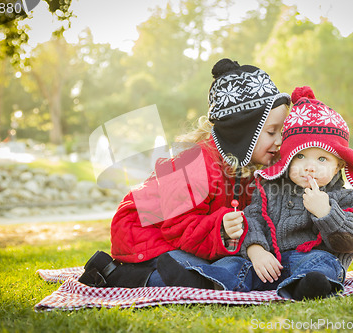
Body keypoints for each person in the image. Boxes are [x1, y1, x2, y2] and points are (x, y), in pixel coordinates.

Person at [78, 58, 291, 288]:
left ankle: (164, 273)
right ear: (243, 132)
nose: (279, 141)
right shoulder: (194, 164)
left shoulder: (243, 168)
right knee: (195, 273)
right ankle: (119, 275)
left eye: (281, 131)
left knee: (225, 265)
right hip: (146, 234)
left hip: (182, 238)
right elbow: (176, 226)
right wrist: (221, 227)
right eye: (271, 132)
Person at [156, 86, 353, 300]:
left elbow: (352, 239)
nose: (310, 167)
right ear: (287, 157)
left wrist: (327, 213)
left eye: (321, 159)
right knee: (235, 265)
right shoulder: (270, 188)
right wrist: (256, 250)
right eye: (300, 156)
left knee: (323, 263)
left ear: (339, 164)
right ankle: (202, 279)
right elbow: (253, 218)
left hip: (310, 261)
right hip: (268, 263)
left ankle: (307, 286)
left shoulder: (346, 198)